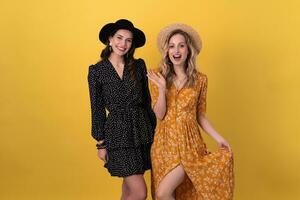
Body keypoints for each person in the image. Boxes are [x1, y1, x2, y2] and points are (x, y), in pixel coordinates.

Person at [148, 23, 234, 200]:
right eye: (171, 46)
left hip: (190, 144)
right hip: (164, 145)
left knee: (166, 192)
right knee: (165, 194)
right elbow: (159, 114)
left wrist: (219, 138)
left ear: (188, 50)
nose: (176, 50)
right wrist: (163, 89)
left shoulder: (200, 80)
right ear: (167, 51)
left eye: (181, 45)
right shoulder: (158, 76)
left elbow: (200, 115)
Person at [88, 19, 156, 200]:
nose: (123, 44)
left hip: (142, 132)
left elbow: (147, 102)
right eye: (119, 38)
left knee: (128, 191)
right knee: (139, 192)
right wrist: (101, 143)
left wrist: (158, 132)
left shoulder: (139, 65)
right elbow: (97, 109)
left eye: (128, 40)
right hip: (117, 136)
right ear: (110, 39)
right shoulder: (97, 71)